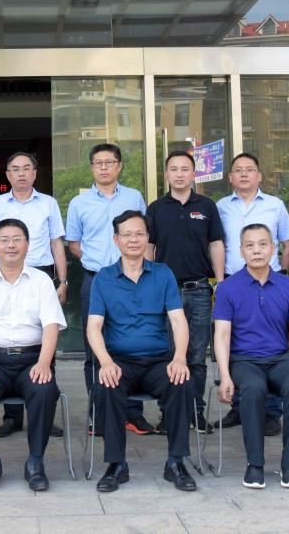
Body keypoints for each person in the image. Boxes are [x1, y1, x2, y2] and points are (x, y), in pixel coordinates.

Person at [87, 210, 197, 494]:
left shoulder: (163, 273)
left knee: (182, 382)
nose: (133, 239)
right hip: (120, 362)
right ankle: (116, 465)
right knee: (106, 385)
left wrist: (179, 358)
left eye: (139, 234)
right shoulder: (104, 278)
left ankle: (176, 462)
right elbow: (93, 327)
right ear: (116, 240)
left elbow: (178, 320)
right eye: (127, 234)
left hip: (158, 361)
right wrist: (105, 362)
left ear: (147, 238)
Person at [213, 223, 289, 490]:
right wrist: (224, 375)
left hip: (280, 359)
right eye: (249, 245)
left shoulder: (288, 286)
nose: (256, 250)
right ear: (241, 251)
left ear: (273, 249)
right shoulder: (227, 288)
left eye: (263, 244)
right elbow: (222, 335)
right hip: (244, 360)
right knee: (253, 388)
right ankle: (255, 464)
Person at [0, 218, 67, 492]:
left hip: (32, 360)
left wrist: (44, 363)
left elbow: (51, 325)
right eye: (5, 240)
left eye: (17, 239)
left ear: (27, 245)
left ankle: (35, 462)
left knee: (44, 391)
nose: (11, 245)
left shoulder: (42, 281)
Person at [0, 151, 68, 438]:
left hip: (40, 273)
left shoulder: (48, 203)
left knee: (45, 341)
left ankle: (44, 414)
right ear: (8, 174)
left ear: (34, 173)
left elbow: (56, 242)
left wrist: (63, 280)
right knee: (11, 335)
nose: (21, 173)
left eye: (26, 168)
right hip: (3, 274)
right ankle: (12, 418)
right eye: (15, 169)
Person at [65, 143, 148, 434]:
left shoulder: (134, 197)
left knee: (134, 342)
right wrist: (99, 265)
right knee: (94, 348)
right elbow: (74, 244)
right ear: (92, 167)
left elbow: (143, 237)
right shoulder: (79, 203)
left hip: (132, 279)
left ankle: (133, 413)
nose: (104, 167)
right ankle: (98, 413)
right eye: (98, 163)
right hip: (96, 280)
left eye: (109, 162)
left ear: (119, 166)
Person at [215, 153, 289, 433]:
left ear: (259, 176)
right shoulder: (221, 207)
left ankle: (271, 412)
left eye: (250, 169)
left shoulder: (275, 205)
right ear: (230, 178)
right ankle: (239, 407)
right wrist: (219, 280)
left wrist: (281, 273)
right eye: (238, 170)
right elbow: (216, 243)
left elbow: (288, 241)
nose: (244, 174)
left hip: (268, 282)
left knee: (271, 345)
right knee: (237, 345)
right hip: (233, 283)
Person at [146, 150, 225, 435]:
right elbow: (149, 247)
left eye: (184, 169)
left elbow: (216, 243)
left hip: (200, 289)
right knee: (168, 354)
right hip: (166, 292)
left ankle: (195, 412)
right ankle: (169, 413)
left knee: (196, 355)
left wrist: (220, 281)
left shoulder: (206, 206)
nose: (179, 174)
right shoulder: (156, 208)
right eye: (174, 169)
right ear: (166, 174)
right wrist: (149, 283)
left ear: (193, 174)